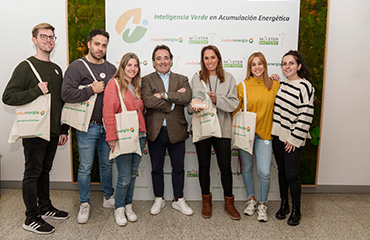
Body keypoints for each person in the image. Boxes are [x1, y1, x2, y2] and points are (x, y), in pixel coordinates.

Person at [2, 23, 69, 234]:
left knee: (45, 170)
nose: (48, 40)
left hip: (52, 130)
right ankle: (31, 217)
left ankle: (45, 207)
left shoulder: (57, 69)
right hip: (34, 129)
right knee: (32, 172)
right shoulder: (25, 66)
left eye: (51, 37)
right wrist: (35, 91)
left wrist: (64, 128)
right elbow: (8, 96)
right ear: (34, 40)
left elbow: (61, 101)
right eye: (44, 37)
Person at [61, 29, 117, 224]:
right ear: (89, 44)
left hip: (107, 127)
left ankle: (108, 197)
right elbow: (66, 94)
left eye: (104, 45)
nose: (100, 48)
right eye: (97, 44)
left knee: (107, 165)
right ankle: (84, 203)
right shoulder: (77, 67)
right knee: (85, 167)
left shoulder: (111, 69)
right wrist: (90, 90)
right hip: (87, 127)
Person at [188, 45, 240, 220]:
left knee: (225, 167)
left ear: (218, 58)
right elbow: (189, 104)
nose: (210, 61)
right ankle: (206, 202)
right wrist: (192, 108)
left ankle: (229, 203)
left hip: (222, 129)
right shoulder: (196, 78)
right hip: (202, 127)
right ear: (202, 60)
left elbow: (234, 103)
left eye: (212, 57)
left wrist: (218, 99)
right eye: (206, 58)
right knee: (203, 167)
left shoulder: (229, 78)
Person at [141, 45, 193, 216]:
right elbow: (148, 102)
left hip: (176, 130)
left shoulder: (182, 78)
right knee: (156, 167)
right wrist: (173, 99)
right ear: (153, 62)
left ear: (171, 60)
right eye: (159, 58)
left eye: (166, 58)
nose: (163, 61)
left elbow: (186, 97)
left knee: (178, 167)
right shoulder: (147, 80)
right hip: (156, 130)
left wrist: (163, 95)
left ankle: (179, 199)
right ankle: (159, 198)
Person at [232, 52, 280, 222]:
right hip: (246, 135)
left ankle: (263, 205)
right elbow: (235, 112)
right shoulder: (242, 86)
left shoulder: (274, 85)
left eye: (260, 63)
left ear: (265, 66)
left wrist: (277, 80)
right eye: (254, 64)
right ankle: (251, 200)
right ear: (249, 68)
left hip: (265, 134)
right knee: (247, 168)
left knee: (264, 172)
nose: (257, 67)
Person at [272, 50, 315, 226]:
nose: (287, 66)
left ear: (298, 66)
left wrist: (293, 139)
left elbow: (306, 115)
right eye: (284, 63)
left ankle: (297, 209)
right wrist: (275, 80)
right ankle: (284, 204)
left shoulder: (305, 87)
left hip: (293, 139)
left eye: (291, 63)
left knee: (292, 174)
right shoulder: (283, 85)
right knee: (282, 172)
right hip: (278, 136)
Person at [103, 53, 146, 226]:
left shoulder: (136, 86)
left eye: (135, 66)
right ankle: (119, 208)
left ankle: (128, 204)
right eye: (129, 65)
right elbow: (108, 112)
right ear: (122, 66)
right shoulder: (114, 84)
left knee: (133, 174)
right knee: (124, 177)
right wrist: (111, 137)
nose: (132, 69)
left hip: (139, 136)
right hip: (122, 136)